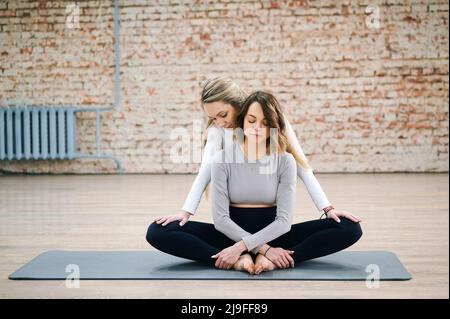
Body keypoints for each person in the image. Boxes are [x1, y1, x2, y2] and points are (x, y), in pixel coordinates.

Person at [146, 90, 362, 275]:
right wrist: (264, 249)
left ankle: (267, 259)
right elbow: (221, 220)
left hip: (276, 234)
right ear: (242, 121)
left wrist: (328, 208)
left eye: (265, 123)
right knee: (157, 231)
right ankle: (239, 260)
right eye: (251, 120)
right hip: (228, 233)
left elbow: (284, 222)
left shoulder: (286, 161)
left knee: (350, 228)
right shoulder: (222, 159)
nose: (257, 127)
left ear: (274, 127)